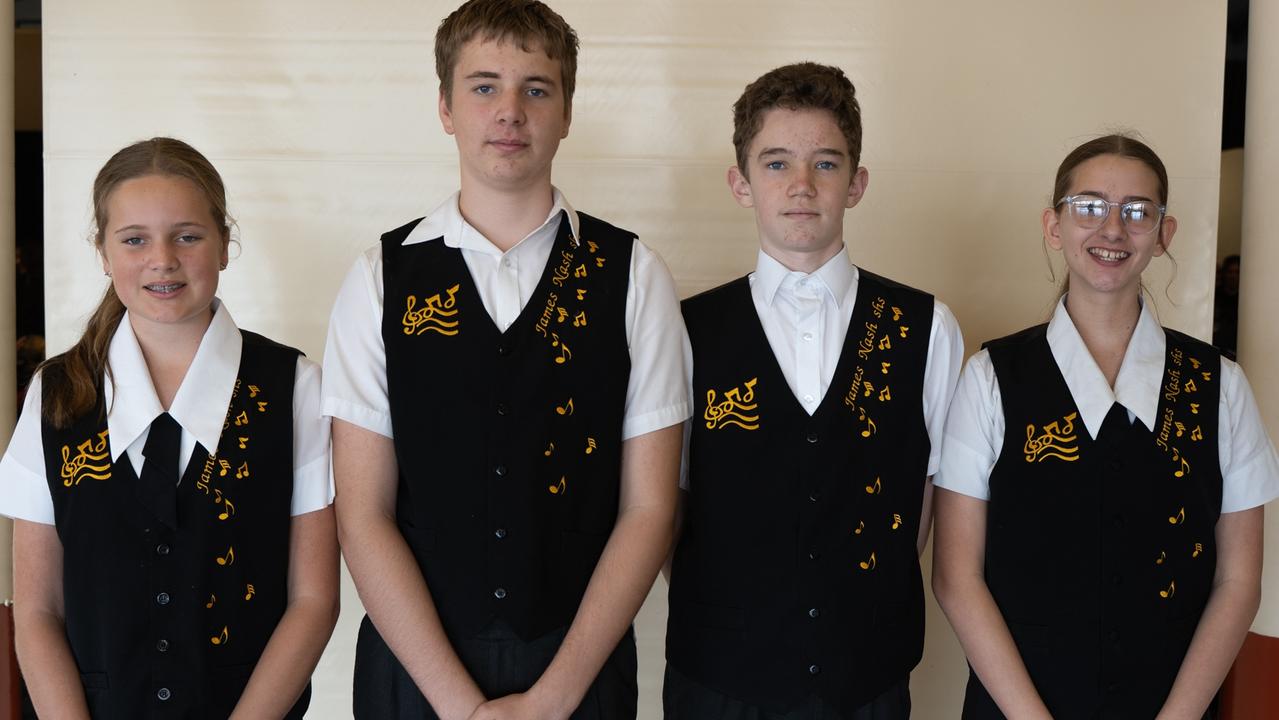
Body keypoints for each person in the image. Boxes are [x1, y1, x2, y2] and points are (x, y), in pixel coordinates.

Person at [321, 1, 689, 718]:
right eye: (483, 86)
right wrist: (460, 707)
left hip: (577, 670)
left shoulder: (632, 274)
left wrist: (554, 698)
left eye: (536, 88)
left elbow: (649, 506)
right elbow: (362, 514)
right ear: (445, 108)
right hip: (415, 669)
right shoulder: (379, 278)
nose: (510, 111)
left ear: (567, 111)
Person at [932, 134, 1279, 719]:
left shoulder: (1220, 385)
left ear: (1165, 235)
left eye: (1138, 212)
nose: (1113, 229)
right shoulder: (991, 377)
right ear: (1054, 226)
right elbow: (956, 578)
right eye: (1089, 207)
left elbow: (1238, 582)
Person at [0, 137, 340, 718]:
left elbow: (313, 600)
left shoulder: (293, 389)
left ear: (224, 245)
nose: (162, 258)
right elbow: (36, 610)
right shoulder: (54, 396)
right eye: (134, 240)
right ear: (104, 253)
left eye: (187, 235)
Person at [665, 62, 964, 719]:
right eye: (775, 164)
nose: (800, 185)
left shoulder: (925, 328)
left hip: (866, 678)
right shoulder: (686, 330)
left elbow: (923, 500)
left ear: (855, 184)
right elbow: (669, 503)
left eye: (825, 164)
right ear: (740, 184)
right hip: (718, 680)